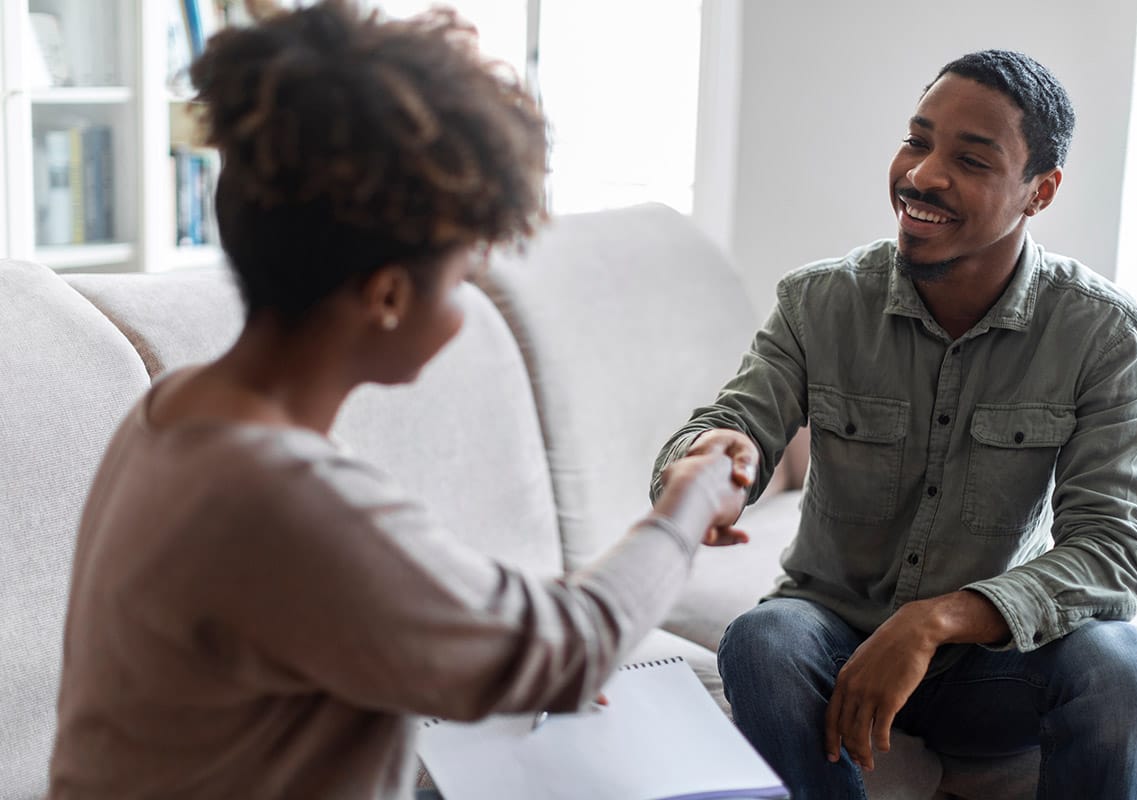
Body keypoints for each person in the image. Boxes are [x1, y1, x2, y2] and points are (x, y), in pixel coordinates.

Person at [46, 2, 753, 798]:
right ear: (385, 295)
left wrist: (484, 654)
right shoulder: (281, 496)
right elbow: (568, 651)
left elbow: (357, 616)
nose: (464, 313)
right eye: (460, 282)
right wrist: (687, 507)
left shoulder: (177, 415)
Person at [651, 49, 1137, 799]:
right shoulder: (819, 302)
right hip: (834, 641)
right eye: (917, 139)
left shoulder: (1104, 334)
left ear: (1040, 191)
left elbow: (1116, 549)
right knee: (764, 641)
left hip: (997, 665)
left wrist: (936, 621)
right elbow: (737, 421)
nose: (923, 175)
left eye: (971, 158)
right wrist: (707, 465)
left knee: (1119, 664)